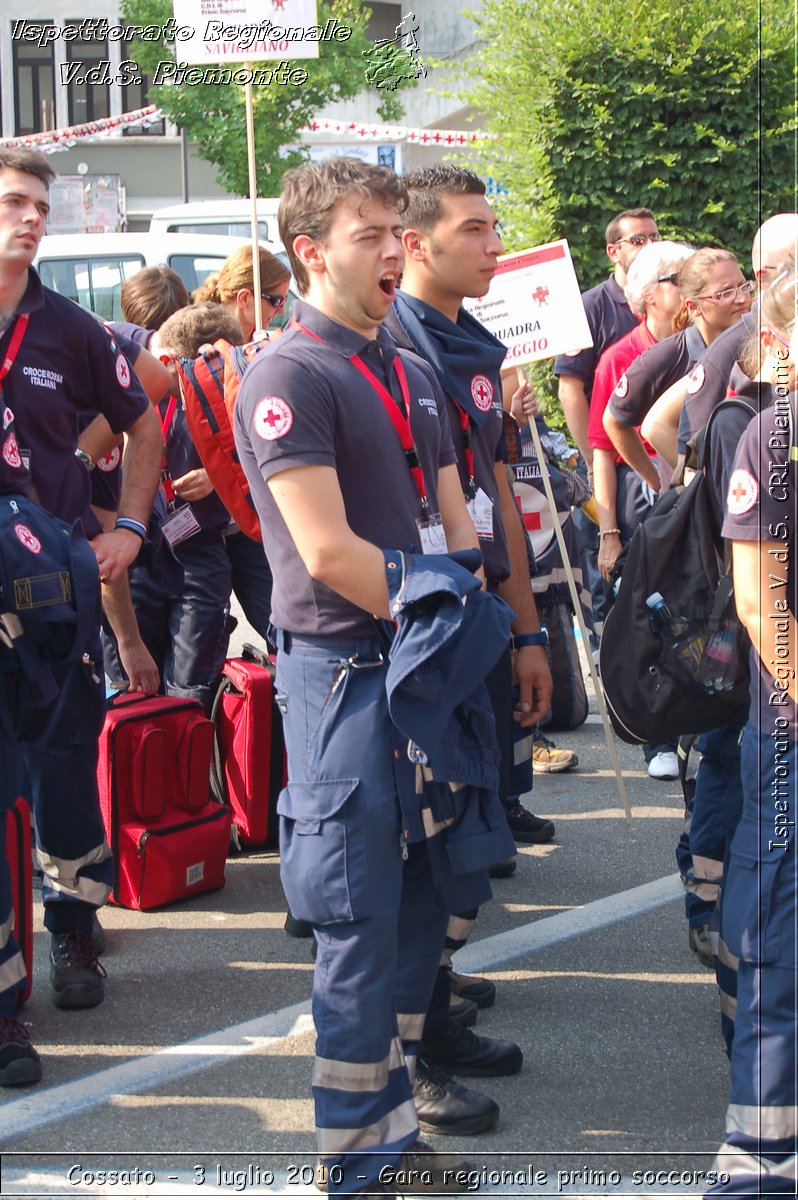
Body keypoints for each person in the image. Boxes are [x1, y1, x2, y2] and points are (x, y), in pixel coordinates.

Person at [233, 157, 516, 1197]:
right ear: (310, 251)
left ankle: (391, 1133)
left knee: (421, 903)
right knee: (356, 925)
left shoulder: (409, 370)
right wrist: (455, 599)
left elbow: (457, 517)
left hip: (427, 663)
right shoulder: (286, 376)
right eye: (372, 234)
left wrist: (482, 615)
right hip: (346, 677)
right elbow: (328, 555)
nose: (397, 249)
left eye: (401, 229)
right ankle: (359, 1163)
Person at [389, 164, 553, 1136]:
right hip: (425, 637)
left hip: (485, 622)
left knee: (471, 839)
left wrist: (529, 629)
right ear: (417, 242)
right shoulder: (397, 349)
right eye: (476, 229)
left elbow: (499, 502)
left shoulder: (473, 344)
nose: (496, 246)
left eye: (495, 228)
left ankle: (438, 1005)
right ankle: (406, 1053)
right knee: (428, 848)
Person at [0, 148, 161, 1084]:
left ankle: (74, 927)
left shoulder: (71, 329)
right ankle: (4, 1002)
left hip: (53, 597)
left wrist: (131, 527)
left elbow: (145, 413)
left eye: (38, 205)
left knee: (65, 767)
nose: (31, 218)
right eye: (14, 203)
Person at [705, 266, 797, 1198]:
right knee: (782, 949)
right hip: (791, 738)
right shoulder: (774, 439)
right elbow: (760, 602)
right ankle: (760, 1166)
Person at [553, 206, 661, 643]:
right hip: (608, 462)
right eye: (638, 239)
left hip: (654, 462)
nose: (650, 245)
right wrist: (595, 460)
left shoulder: (666, 298)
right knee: (609, 573)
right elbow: (569, 389)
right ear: (612, 251)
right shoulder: (590, 307)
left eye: (654, 237)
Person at [643, 212, 798, 468]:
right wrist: (707, 488)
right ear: (764, 277)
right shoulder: (737, 340)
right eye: (793, 268)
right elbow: (658, 424)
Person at [193, 244, 291, 342]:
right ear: (244, 298)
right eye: (277, 301)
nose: (282, 311)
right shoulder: (201, 347)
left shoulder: (266, 345)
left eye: (284, 300)